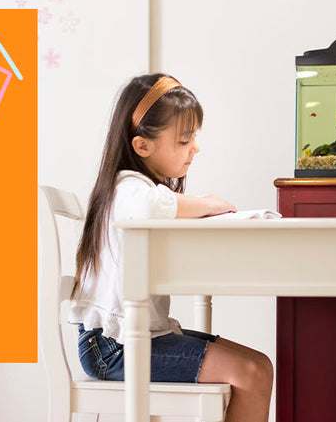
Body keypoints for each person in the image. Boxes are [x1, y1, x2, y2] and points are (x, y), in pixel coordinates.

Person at [69, 73, 274, 422]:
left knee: (261, 366)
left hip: (130, 338)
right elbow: (151, 205)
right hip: (113, 347)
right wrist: (205, 203)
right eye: (183, 140)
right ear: (142, 146)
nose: (195, 147)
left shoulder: (135, 188)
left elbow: (159, 205)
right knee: (252, 372)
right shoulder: (126, 187)